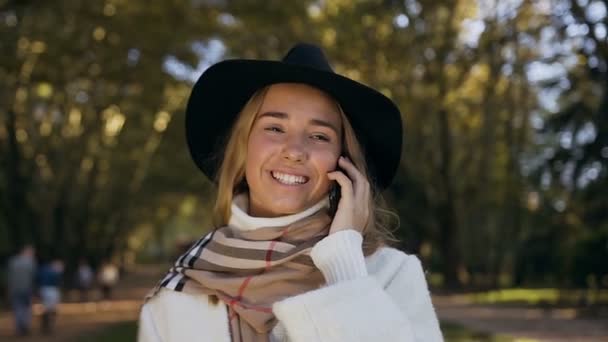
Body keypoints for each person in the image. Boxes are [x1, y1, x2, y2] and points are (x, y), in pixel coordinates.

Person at [139, 43, 443, 341]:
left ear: (345, 160)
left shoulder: (391, 275)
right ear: (243, 148)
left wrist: (344, 265)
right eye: (274, 128)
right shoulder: (175, 298)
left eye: (319, 135)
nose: (295, 151)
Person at [6, 244, 36, 336]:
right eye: (32, 252)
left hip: (15, 289)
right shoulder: (31, 262)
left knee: (17, 308)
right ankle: (24, 326)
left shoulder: (13, 261)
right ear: (26, 252)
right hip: (27, 289)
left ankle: (19, 327)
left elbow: (9, 277)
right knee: (26, 308)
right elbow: (33, 277)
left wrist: (9, 288)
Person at [37, 258, 64, 334]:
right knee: (52, 309)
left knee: (46, 308)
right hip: (52, 291)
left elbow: (38, 279)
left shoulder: (43, 269)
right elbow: (58, 282)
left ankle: (46, 325)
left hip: (44, 290)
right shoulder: (55, 271)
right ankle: (50, 326)